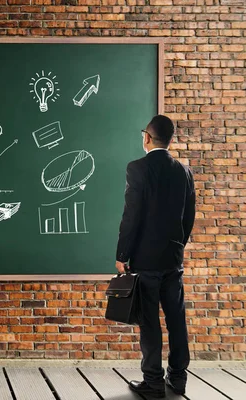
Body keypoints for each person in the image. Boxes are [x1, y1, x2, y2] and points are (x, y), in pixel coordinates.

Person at [115, 115, 196, 398]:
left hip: (145, 260)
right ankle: (179, 378)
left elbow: (131, 216)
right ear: (169, 139)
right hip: (173, 260)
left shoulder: (137, 168)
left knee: (149, 321)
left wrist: (122, 253)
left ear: (147, 138)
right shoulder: (184, 171)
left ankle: (153, 382)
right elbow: (189, 217)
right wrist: (178, 246)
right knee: (176, 320)